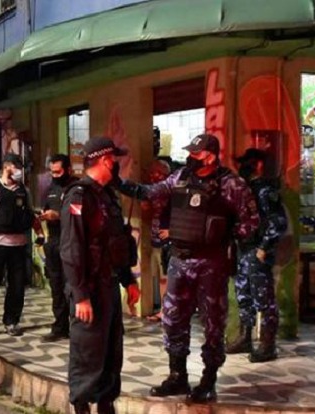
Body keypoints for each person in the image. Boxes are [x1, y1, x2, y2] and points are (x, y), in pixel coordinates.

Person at [119, 134, 259, 403]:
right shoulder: (181, 177)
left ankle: (208, 380)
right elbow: (149, 192)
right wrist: (117, 182)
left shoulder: (231, 184)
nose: (190, 158)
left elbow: (251, 222)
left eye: (196, 154)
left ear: (210, 156)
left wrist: (223, 236)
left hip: (211, 264)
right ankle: (177, 376)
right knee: (173, 320)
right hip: (180, 261)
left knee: (213, 324)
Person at [61, 138, 134, 414]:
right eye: (115, 159)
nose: (117, 164)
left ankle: (106, 405)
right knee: (87, 352)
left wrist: (129, 280)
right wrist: (80, 296)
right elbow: (72, 249)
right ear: (105, 160)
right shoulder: (79, 196)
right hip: (89, 290)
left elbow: (116, 243)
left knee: (111, 352)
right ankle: (81, 407)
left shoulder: (107, 196)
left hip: (110, 285)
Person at [227, 149, 287, 362]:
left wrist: (264, 247)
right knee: (243, 295)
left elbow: (278, 223)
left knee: (264, 298)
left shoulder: (265, 190)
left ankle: (268, 345)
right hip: (244, 249)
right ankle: (245, 338)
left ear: (259, 165)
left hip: (257, 250)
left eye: (249, 163)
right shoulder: (247, 189)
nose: (244, 168)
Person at [0, 153, 40, 338]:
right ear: (7, 167)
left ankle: (11, 321)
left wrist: (40, 233)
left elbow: (31, 215)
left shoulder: (23, 191)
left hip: (18, 246)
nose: (19, 171)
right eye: (16, 167)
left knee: (17, 287)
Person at [38, 154, 77, 343]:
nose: (55, 176)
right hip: (53, 243)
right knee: (56, 287)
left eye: (58, 172)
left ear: (68, 170)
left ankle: (78, 328)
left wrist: (59, 216)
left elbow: (79, 216)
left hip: (71, 244)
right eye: (52, 172)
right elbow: (45, 208)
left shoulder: (77, 189)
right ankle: (60, 327)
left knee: (72, 288)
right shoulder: (50, 189)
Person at [146, 159, 172, 321]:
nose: (152, 176)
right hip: (155, 241)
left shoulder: (172, 192)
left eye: (156, 173)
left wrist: (172, 231)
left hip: (167, 243)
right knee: (159, 277)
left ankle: (167, 311)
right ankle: (163, 309)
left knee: (167, 278)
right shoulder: (153, 192)